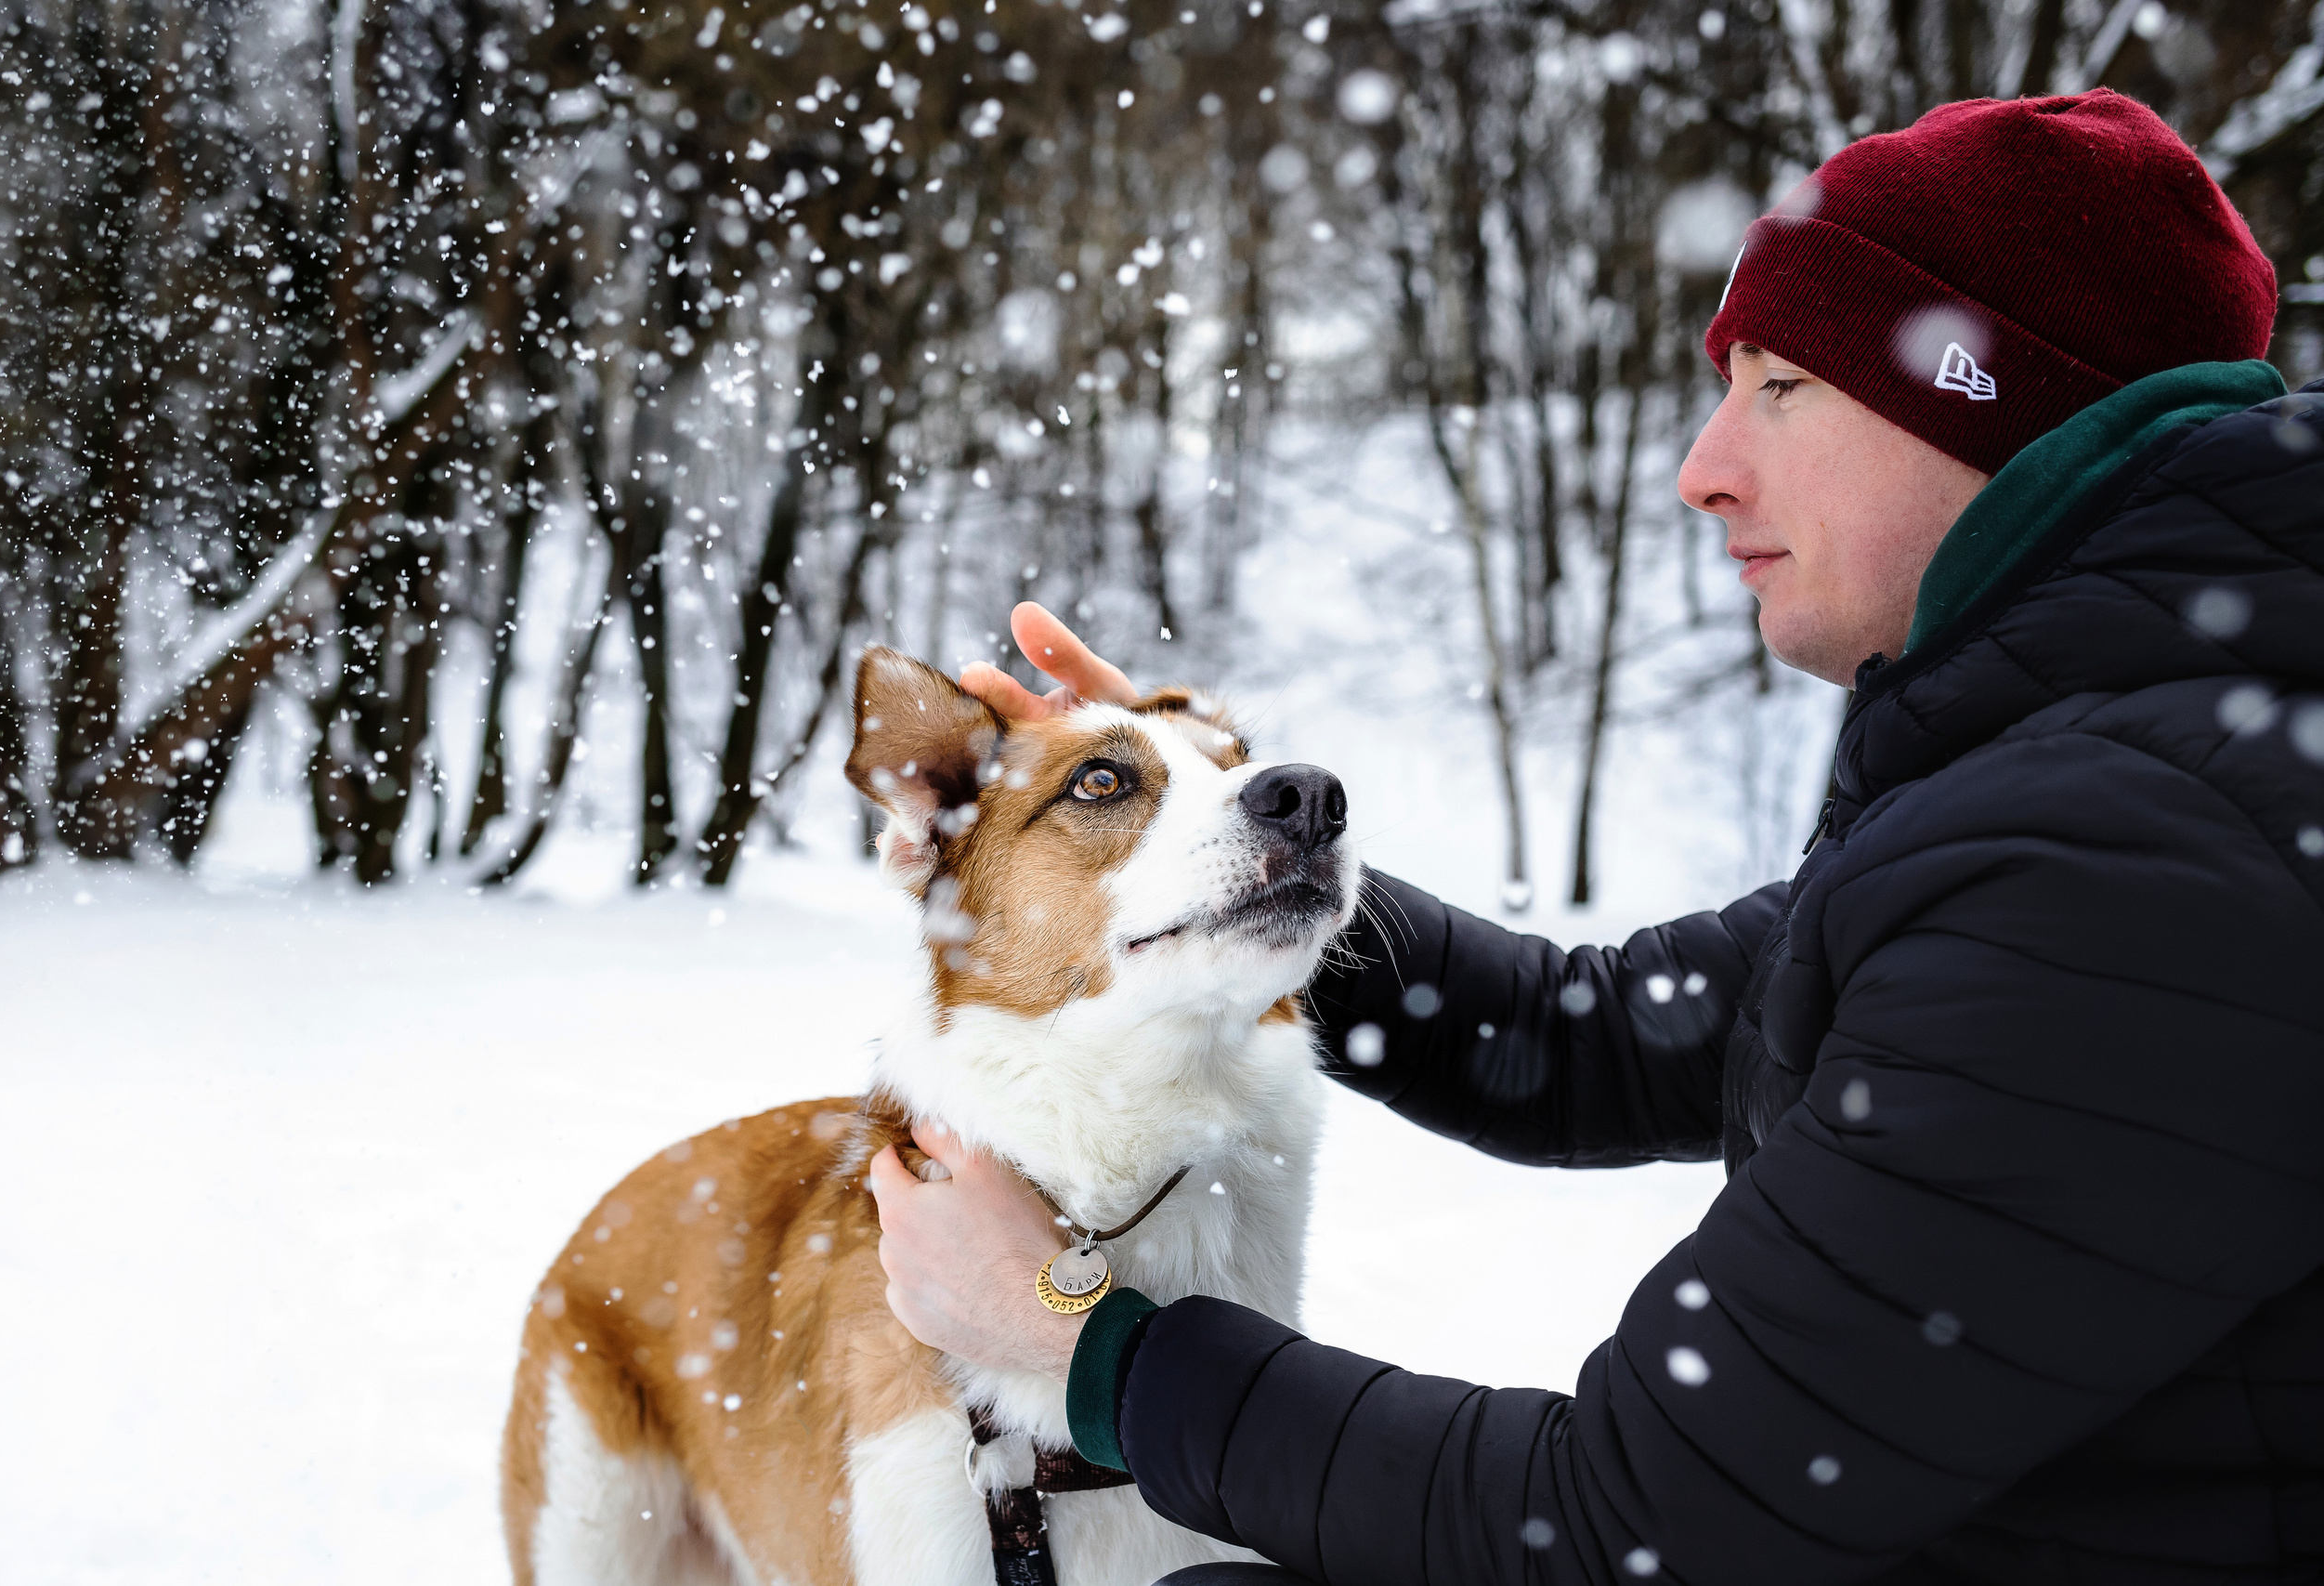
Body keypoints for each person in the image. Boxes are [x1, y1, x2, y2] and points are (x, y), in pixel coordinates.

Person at [866, 89, 2324, 1583]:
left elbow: (1632, 1522)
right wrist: (1236, 870)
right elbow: (1598, 1037)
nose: (1703, 466)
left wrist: (1084, 1344)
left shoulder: (2126, 873)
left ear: (1978, 398)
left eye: (1780, 385)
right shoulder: (2106, 770)